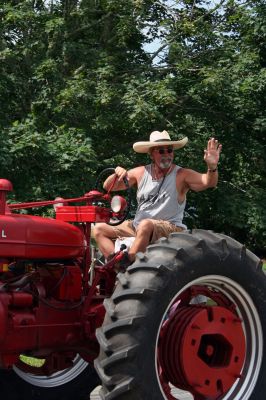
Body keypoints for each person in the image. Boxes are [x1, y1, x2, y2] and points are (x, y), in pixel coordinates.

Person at [93, 130, 222, 267]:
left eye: (169, 150)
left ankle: (129, 264)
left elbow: (208, 182)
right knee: (99, 229)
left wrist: (212, 167)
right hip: (140, 226)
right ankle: (115, 267)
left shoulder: (181, 175)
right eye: (161, 151)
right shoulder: (141, 172)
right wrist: (116, 174)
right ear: (151, 154)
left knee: (145, 224)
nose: (166, 155)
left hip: (171, 229)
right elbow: (108, 187)